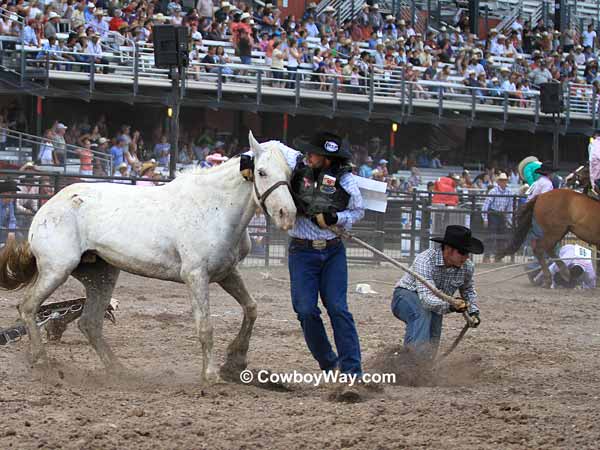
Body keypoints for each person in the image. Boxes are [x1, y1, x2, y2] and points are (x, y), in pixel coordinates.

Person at [281, 132, 364, 397]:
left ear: (327, 160)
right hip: (302, 251)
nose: (309, 156)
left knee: (338, 308)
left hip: (332, 252)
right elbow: (271, 149)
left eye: (315, 153)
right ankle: (330, 364)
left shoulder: (346, 181)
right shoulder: (297, 170)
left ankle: (352, 372)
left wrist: (335, 217)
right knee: (305, 310)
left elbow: (357, 211)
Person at [391, 225, 483, 361]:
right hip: (405, 296)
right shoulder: (425, 260)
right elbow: (426, 299)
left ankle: (423, 367)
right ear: (448, 249)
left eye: (467, 253)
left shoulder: (467, 267)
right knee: (421, 313)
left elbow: (467, 289)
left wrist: (473, 312)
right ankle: (410, 364)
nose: (466, 257)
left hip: (436, 304)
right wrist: (451, 306)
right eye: (462, 252)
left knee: (433, 335)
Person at [530, 244, 596, 289]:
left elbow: (591, 286)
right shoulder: (566, 260)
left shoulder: (590, 273)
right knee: (555, 265)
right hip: (567, 248)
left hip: (578, 252)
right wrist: (537, 279)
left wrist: (582, 287)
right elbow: (550, 269)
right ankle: (535, 273)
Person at [482, 173, 513, 262]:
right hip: (493, 214)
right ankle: (487, 256)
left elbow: (510, 207)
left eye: (505, 181)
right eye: (502, 180)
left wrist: (509, 219)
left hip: (502, 215)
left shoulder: (509, 192)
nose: (503, 182)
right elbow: (486, 205)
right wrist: (485, 218)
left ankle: (498, 257)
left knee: (502, 236)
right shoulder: (493, 191)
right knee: (491, 236)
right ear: (499, 182)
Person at [0, 180, 19, 245]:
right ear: (4, 193)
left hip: (4, 229)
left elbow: (12, 219)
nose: (13, 195)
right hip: (2, 230)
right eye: (11, 193)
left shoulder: (9, 203)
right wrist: (7, 230)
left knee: (19, 235)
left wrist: (11, 231)